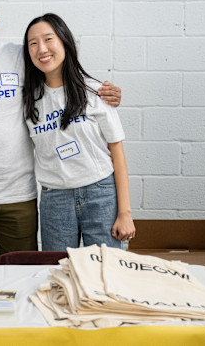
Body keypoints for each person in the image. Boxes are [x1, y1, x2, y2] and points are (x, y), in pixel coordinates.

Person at [0, 0, 122, 264]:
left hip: (18, 193)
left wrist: (104, 91)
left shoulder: (19, 56)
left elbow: (58, 71)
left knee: (22, 272)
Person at [23, 13, 135, 250]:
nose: (41, 49)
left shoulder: (96, 92)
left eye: (48, 39)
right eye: (33, 43)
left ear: (65, 42)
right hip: (55, 199)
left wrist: (125, 213)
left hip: (100, 193)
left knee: (105, 272)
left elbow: (117, 153)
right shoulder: (28, 102)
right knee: (59, 273)